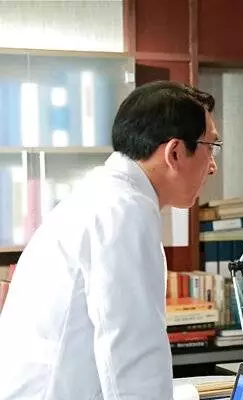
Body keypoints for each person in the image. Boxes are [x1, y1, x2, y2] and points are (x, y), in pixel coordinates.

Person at [0, 81, 220, 399]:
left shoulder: (103, 193)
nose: (212, 165)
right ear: (174, 152)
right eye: (210, 146)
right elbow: (133, 355)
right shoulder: (125, 210)